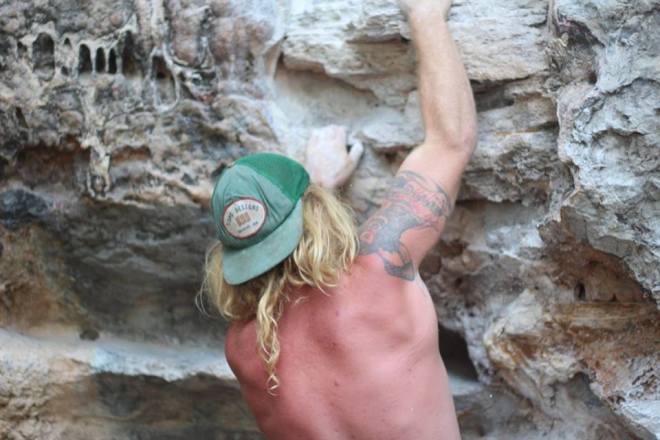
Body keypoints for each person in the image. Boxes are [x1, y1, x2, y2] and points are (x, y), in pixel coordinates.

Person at [198, 0, 477, 438]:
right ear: (313, 211)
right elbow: (449, 142)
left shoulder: (245, 349)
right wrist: (425, 14)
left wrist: (319, 189)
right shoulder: (379, 272)